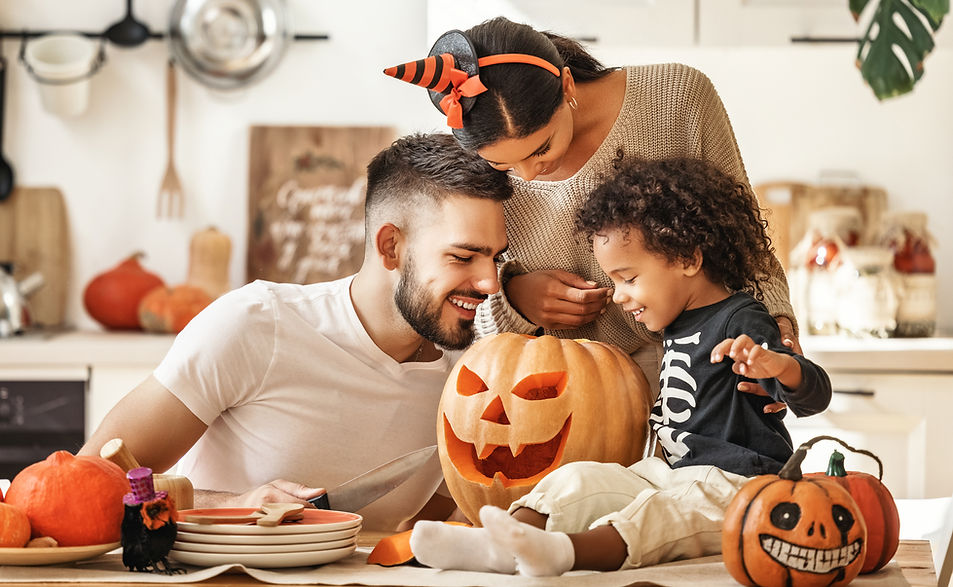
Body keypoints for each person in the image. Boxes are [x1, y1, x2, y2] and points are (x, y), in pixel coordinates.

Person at [409, 157, 833, 575]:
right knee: (582, 478)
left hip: (742, 484)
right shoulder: (677, 321)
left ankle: (565, 553)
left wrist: (777, 365)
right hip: (670, 473)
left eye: (628, 279)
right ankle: (499, 543)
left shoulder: (742, 319)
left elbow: (815, 394)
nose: (617, 295)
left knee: (659, 515)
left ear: (688, 259)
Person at [79, 133, 512, 531]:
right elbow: (89, 481)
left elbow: (407, 533)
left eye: (495, 258)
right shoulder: (255, 323)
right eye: (463, 257)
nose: (490, 282)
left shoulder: (470, 381)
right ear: (390, 247)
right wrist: (232, 504)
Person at [385, 17, 800, 397]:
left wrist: (775, 330)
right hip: (548, 390)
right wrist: (514, 301)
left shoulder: (677, 99)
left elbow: (742, 240)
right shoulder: (469, 165)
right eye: (503, 164)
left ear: (566, 87)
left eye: (542, 147)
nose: (527, 175)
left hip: (696, 369)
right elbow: (457, 312)